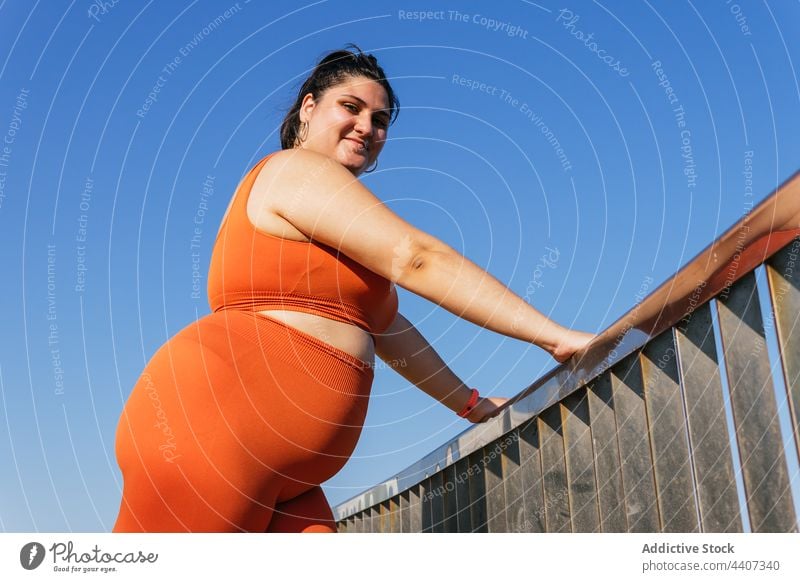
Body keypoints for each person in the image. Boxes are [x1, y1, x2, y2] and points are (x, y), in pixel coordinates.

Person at [112, 44, 595, 533]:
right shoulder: (293, 170)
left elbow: (389, 331)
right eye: (351, 107)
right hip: (211, 427)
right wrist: (553, 336)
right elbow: (415, 257)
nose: (369, 126)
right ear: (308, 108)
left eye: (381, 119)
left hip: (290, 474)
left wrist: (471, 405)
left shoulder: (336, 238)